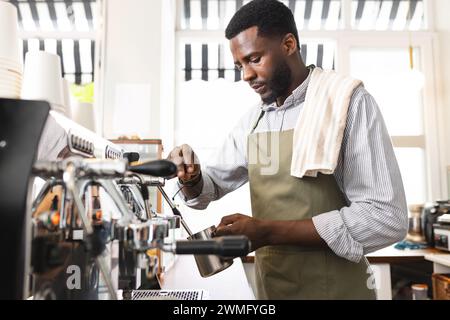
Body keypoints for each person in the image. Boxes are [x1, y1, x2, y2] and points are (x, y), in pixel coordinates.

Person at [167, 0, 407, 300]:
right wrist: (191, 176)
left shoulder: (348, 103)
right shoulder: (254, 122)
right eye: (240, 65)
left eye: (254, 58)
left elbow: (386, 219)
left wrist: (267, 232)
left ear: (289, 44)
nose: (246, 75)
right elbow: (208, 189)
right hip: (273, 291)